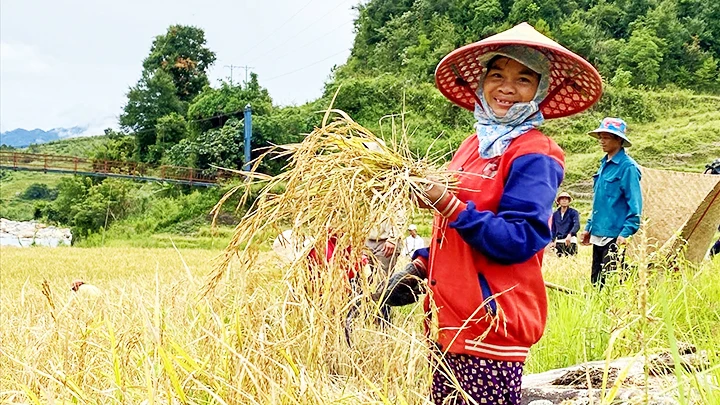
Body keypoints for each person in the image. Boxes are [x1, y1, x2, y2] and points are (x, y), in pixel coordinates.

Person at [377, 22, 603, 405]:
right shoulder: (472, 146)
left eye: (524, 79)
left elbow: (521, 239)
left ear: (541, 91)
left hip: (491, 324)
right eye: (497, 74)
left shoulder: (535, 153)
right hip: (448, 319)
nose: (507, 88)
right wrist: (422, 265)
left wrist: (445, 203)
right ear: (481, 82)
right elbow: (454, 228)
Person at [579, 117, 642, 289]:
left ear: (619, 140)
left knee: (612, 284)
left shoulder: (627, 167)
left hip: (615, 235)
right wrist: (588, 228)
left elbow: (635, 204)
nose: (602, 141)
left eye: (606, 137)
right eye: (600, 136)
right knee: (596, 283)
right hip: (599, 232)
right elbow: (599, 202)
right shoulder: (603, 164)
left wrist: (626, 232)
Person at [550, 191, 580, 256]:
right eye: (562, 199)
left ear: (569, 201)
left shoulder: (574, 212)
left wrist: (570, 234)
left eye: (566, 199)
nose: (564, 201)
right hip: (559, 241)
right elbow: (553, 229)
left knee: (571, 260)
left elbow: (576, 225)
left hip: (570, 240)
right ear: (559, 201)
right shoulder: (555, 214)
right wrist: (552, 240)